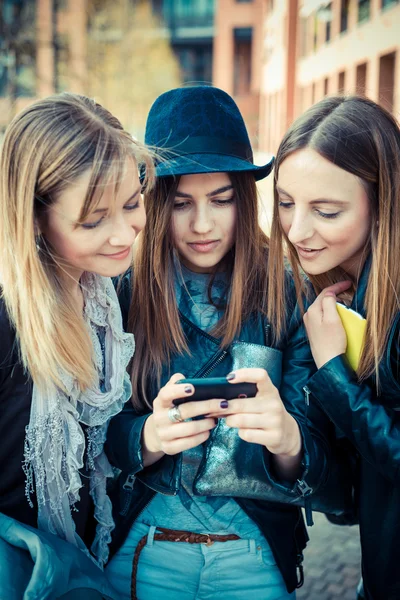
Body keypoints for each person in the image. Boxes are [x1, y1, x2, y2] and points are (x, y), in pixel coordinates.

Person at [105, 86, 335, 600]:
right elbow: (84, 437)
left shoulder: (289, 292)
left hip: (253, 551)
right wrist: (146, 438)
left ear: (245, 197)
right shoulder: (121, 291)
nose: (202, 224)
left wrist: (286, 438)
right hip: (143, 545)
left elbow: (324, 462)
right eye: (182, 202)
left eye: (221, 200)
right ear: (156, 203)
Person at [0, 92, 154, 599]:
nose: (124, 233)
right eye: (93, 221)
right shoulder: (6, 318)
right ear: (35, 219)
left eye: (133, 203)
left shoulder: (103, 295)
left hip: (88, 573)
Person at [271, 95, 400, 600]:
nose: (298, 231)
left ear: (383, 200)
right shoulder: (331, 291)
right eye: (286, 203)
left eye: (325, 211)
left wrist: (332, 373)